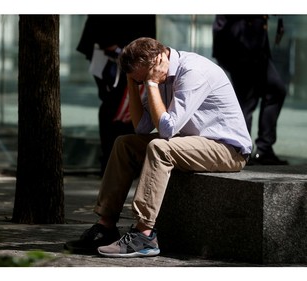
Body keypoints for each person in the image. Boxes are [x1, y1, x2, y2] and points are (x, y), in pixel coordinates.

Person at [64, 37, 252, 258]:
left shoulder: (193, 72)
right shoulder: (159, 75)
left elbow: (167, 130)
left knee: (159, 147)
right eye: (140, 81)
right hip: (191, 142)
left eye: (142, 79)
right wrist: (133, 86)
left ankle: (144, 234)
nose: (143, 84)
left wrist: (151, 84)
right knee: (124, 144)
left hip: (227, 149)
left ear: (155, 61)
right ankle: (106, 226)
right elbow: (142, 127)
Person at [76, 15, 156, 176]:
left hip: (130, 50)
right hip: (109, 50)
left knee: (126, 106)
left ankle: (123, 162)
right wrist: (110, 45)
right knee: (114, 104)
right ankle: (112, 163)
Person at [212, 15, 288, 165]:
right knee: (247, 99)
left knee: (275, 90)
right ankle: (241, 150)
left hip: (254, 43)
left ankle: (262, 149)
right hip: (240, 42)